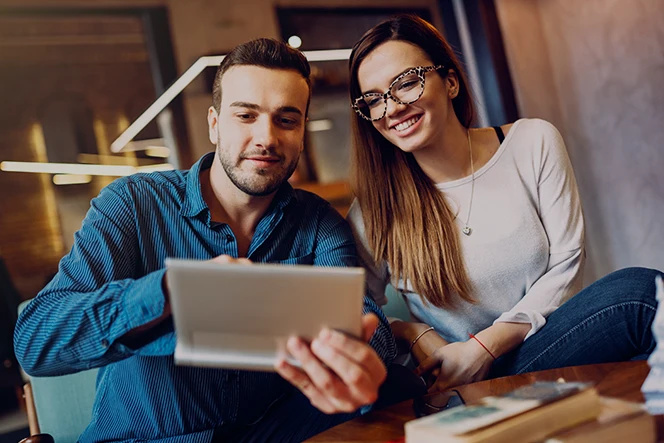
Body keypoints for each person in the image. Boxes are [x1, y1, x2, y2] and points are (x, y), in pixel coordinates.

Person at [14, 38, 396, 443]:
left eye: (286, 120)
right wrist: (171, 292)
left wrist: (361, 352)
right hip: (143, 440)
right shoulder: (132, 205)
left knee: (401, 387)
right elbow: (35, 342)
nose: (266, 138)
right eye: (246, 115)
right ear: (214, 122)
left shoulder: (318, 222)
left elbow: (370, 331)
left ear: (302, 131)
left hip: (270, 433)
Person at [346, 14, 662, 394]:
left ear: (450, 81)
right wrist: (413, 332)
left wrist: (485, 347)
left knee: (642, 299)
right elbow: (362, 314)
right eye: (374, 99)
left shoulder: (532, 142)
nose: (393, 108)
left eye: (407, 83)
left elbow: (567, 265)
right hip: (461, 379)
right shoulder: (374, 210)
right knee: (641, 294)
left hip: (547, 345)